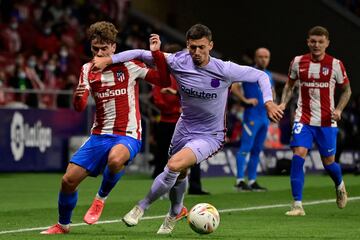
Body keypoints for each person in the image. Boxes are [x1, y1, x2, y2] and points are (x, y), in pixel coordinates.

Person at [93, 24, 283, 234]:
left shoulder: (225, 69)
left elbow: (261, 76)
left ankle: (141, 207)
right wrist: (108, 60)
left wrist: (268, 102)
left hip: (210, 135)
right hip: (184, 127)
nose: (197, 53)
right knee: (180, 173)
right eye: (193, 47)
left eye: (202, 47)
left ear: (210, 45)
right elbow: (139, 53)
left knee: (173, 165)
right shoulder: (177, 61)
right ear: (187, 46)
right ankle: (175, 212)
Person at [40, 21, 170, 234]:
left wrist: (156, 55)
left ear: (113, 48)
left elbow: (163, 79)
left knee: (115, 158)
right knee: (68, 180)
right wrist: (80, 93)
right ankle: (63, 225)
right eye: (95, 49)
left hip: (127, 134)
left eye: (103, 48)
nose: (99, 53)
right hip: (99, 135)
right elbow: (79, 107)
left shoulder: (130, 65)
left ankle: (100, 198)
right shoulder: (87, 69)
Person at [280, 26, 351, 216]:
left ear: (327, 43)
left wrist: (339, 109)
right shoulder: (297, 62)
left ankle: (339, 184)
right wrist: (283, 104)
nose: (316, 45)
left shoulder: (336, 64)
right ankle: (297, 204)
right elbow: (289, 85)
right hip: (303, 118)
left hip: (327, 121)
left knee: (328, 163)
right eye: (313, 41)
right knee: (298, 154)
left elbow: (347, 90)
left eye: (320, 41)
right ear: (307, 42)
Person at [231, 47, 275, 192]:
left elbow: (272, 93)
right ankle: (239, 181)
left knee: (257, 150)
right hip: (251, 116)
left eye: (266, 57)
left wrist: (274, 108)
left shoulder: (268, 75)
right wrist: (245, 100)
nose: (263, 59)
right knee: (246, 147)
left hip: (264, 118)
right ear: (255, 58)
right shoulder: (248, 71)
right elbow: (234, 86)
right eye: (261, 57)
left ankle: (252, 181)